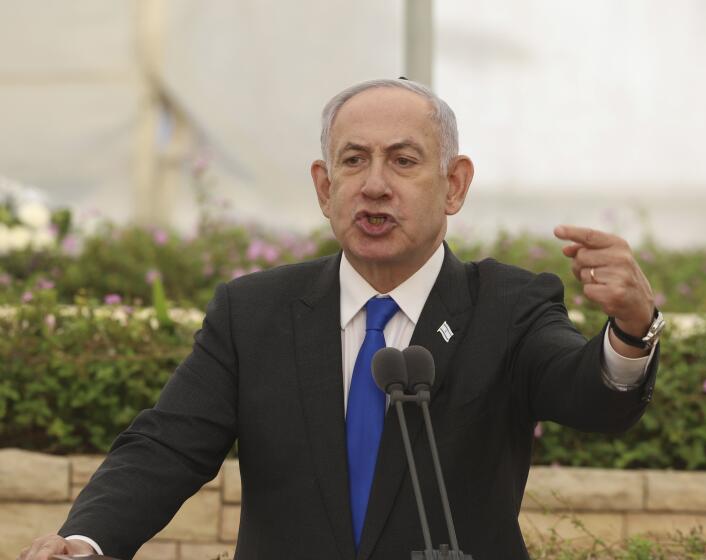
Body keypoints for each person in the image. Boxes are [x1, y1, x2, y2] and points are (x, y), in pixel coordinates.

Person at [19, 78, 663, 560]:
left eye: (404, 161)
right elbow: (166, 447)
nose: (374, 185)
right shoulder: (254, 312)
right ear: (325, 187)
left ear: (455, 185)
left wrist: (631, 331)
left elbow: (590, 396)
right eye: (354, 161)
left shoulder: (508, 306)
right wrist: (87, 540)